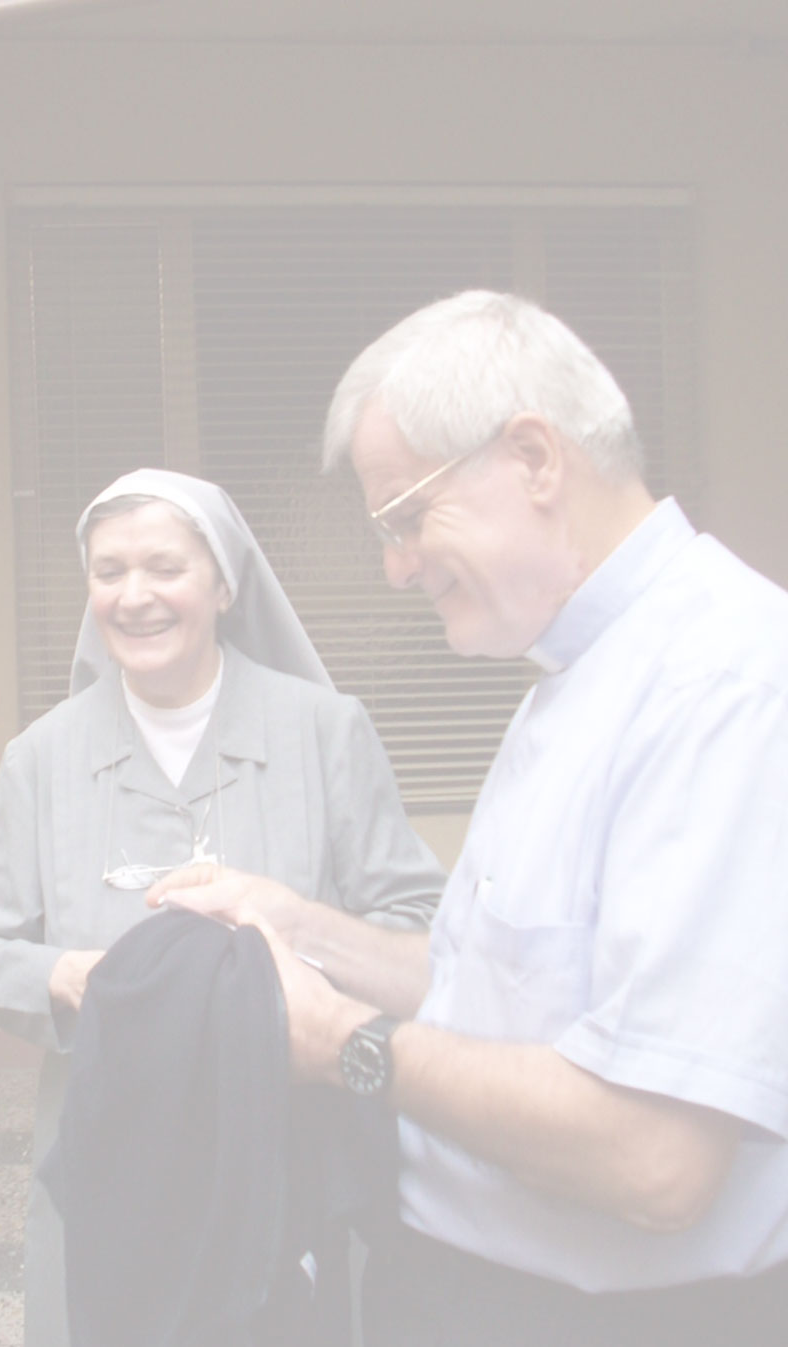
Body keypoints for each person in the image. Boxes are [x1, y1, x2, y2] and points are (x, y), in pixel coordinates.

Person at [155, 291, 788, 1347]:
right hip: (462, 1291)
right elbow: (487, 994)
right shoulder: (578, 672)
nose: (396, 567)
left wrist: (341, 1045)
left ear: (535, 459)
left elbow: (653, 1156)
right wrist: (295, 925)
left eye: (406, 517)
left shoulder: (720, 688)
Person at [0, 468, 444, 1347]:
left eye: (164, 568)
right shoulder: (41, 758)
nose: (134, 596)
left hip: (288, 1134)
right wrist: (72, 975)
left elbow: (416, 924)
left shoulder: (325, 730)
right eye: (109, 571)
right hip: (113, 1143)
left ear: (223, 583)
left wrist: (286, 960)